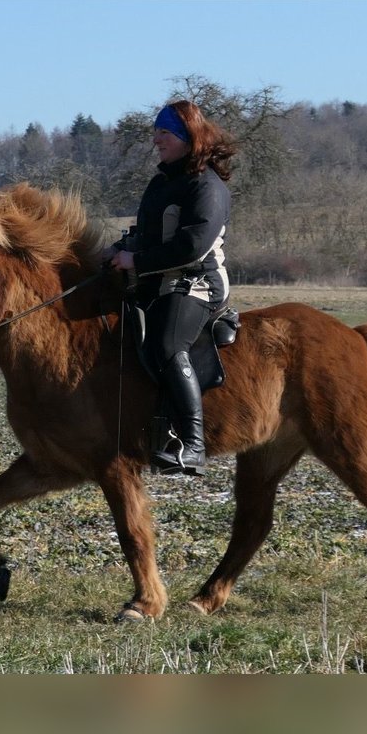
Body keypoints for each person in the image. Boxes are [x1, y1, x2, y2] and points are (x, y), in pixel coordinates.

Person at [109, 100, 235, 476]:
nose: (156, 140)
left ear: (186, 137)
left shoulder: (207, 185)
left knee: (166, 345)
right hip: (157, 282)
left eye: (164, 133)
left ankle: (192, 445)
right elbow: (146, 235)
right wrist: (118, 250)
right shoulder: (162, 180)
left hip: (197, 283)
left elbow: (192, 245)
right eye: (156, 132)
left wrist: (138, 262)